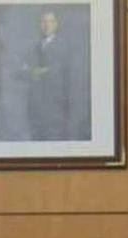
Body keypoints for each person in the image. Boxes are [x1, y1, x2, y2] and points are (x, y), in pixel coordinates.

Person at [22, 11, 77, 141]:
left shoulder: (63, 46)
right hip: (36, 105)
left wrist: (39, 71)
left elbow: (62, 70)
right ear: (40, 25)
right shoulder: (35, 46)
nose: (46, 25)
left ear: (56, 24)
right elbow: (25, 68)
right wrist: (29, 71)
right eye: (43, 22)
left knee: (54, 139)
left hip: (55, 105)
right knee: (37, 140)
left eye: (50, 21)